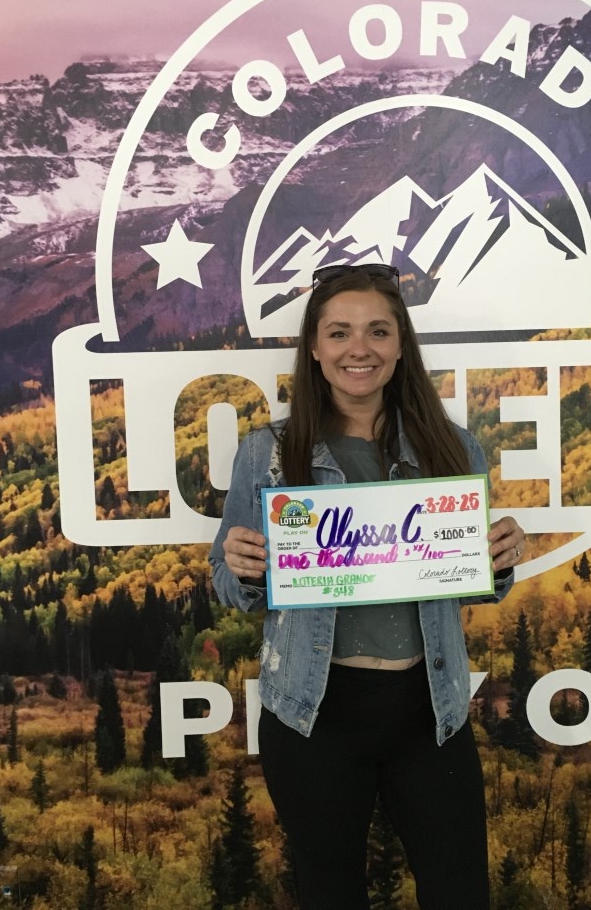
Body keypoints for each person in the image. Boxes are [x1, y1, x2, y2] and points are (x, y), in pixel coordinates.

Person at [209, 263, 525, 910]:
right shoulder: (266, 453)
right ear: (315, 347)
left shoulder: (453, 448)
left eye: (378, 331)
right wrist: (240, 567)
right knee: (330, 894)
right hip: (313, 712)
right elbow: (228, 582)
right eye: (340, 332)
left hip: (428, 710)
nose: (360, 348)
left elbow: (467, 577)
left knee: (460, 892)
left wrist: (498, 560)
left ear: (401, 344)